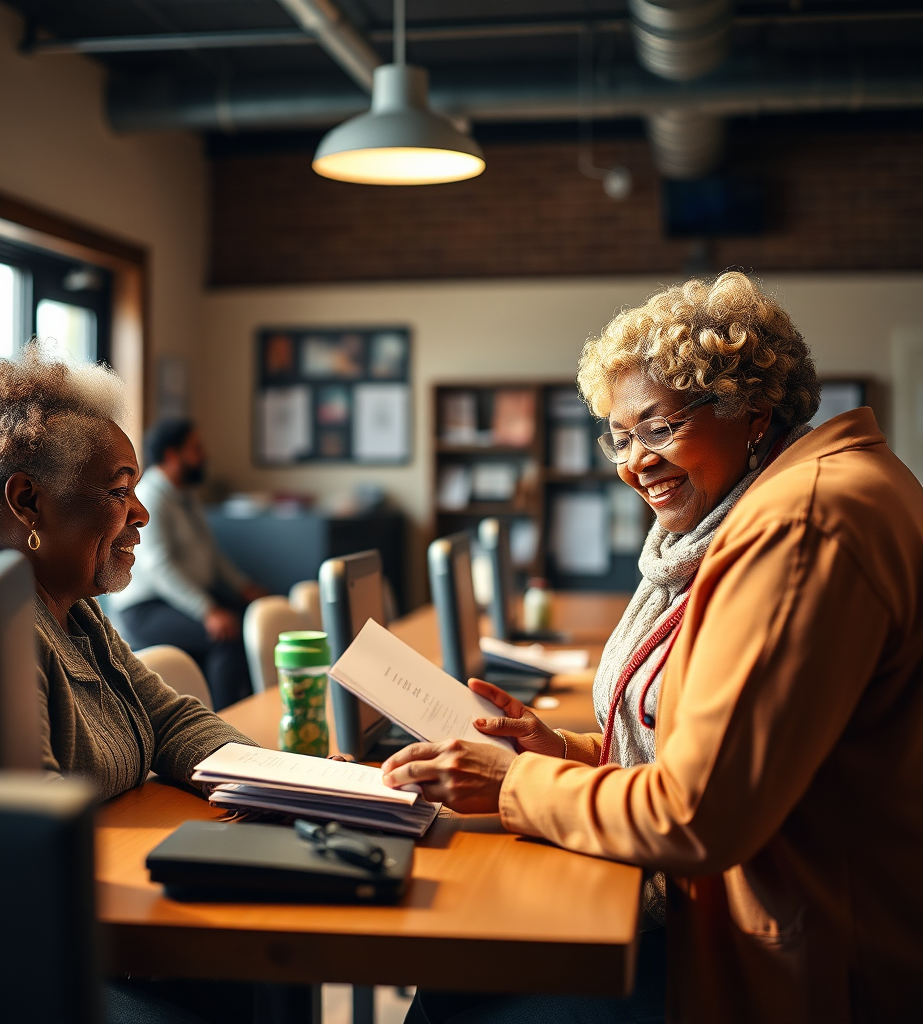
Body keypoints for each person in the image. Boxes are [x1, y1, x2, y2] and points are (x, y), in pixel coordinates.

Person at [383, 272, 923, 1024]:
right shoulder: (765, 511)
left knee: (456, 991)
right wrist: (565, 753)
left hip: (788, 956)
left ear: (752, 410)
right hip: (743, 906)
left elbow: (695, 813)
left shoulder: (799, 526)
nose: (634, 462)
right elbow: (713, 750)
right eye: (621, 436)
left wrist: (512, 784)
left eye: (660, 428)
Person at [0, 346, 315, 1024]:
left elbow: (172, 721)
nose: (142, 515)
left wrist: (301, 787)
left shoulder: (66, 599)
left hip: (101, 910)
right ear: (27, 500)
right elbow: (22, 848)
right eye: (119, 491)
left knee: (270, 978)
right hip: (14, 962)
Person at [110, 418, 267, 710]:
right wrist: (207, 610)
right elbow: (159, 567)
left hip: (183, 598)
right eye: (196, 448)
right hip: (147, 607)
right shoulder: (151, 496)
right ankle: (226, 723)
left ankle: (255, 708)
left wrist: (243, 586)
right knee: (225, 635)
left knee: (251, 616)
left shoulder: (186, 494)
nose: (204, 455)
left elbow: (212, 554)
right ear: (172, 455)